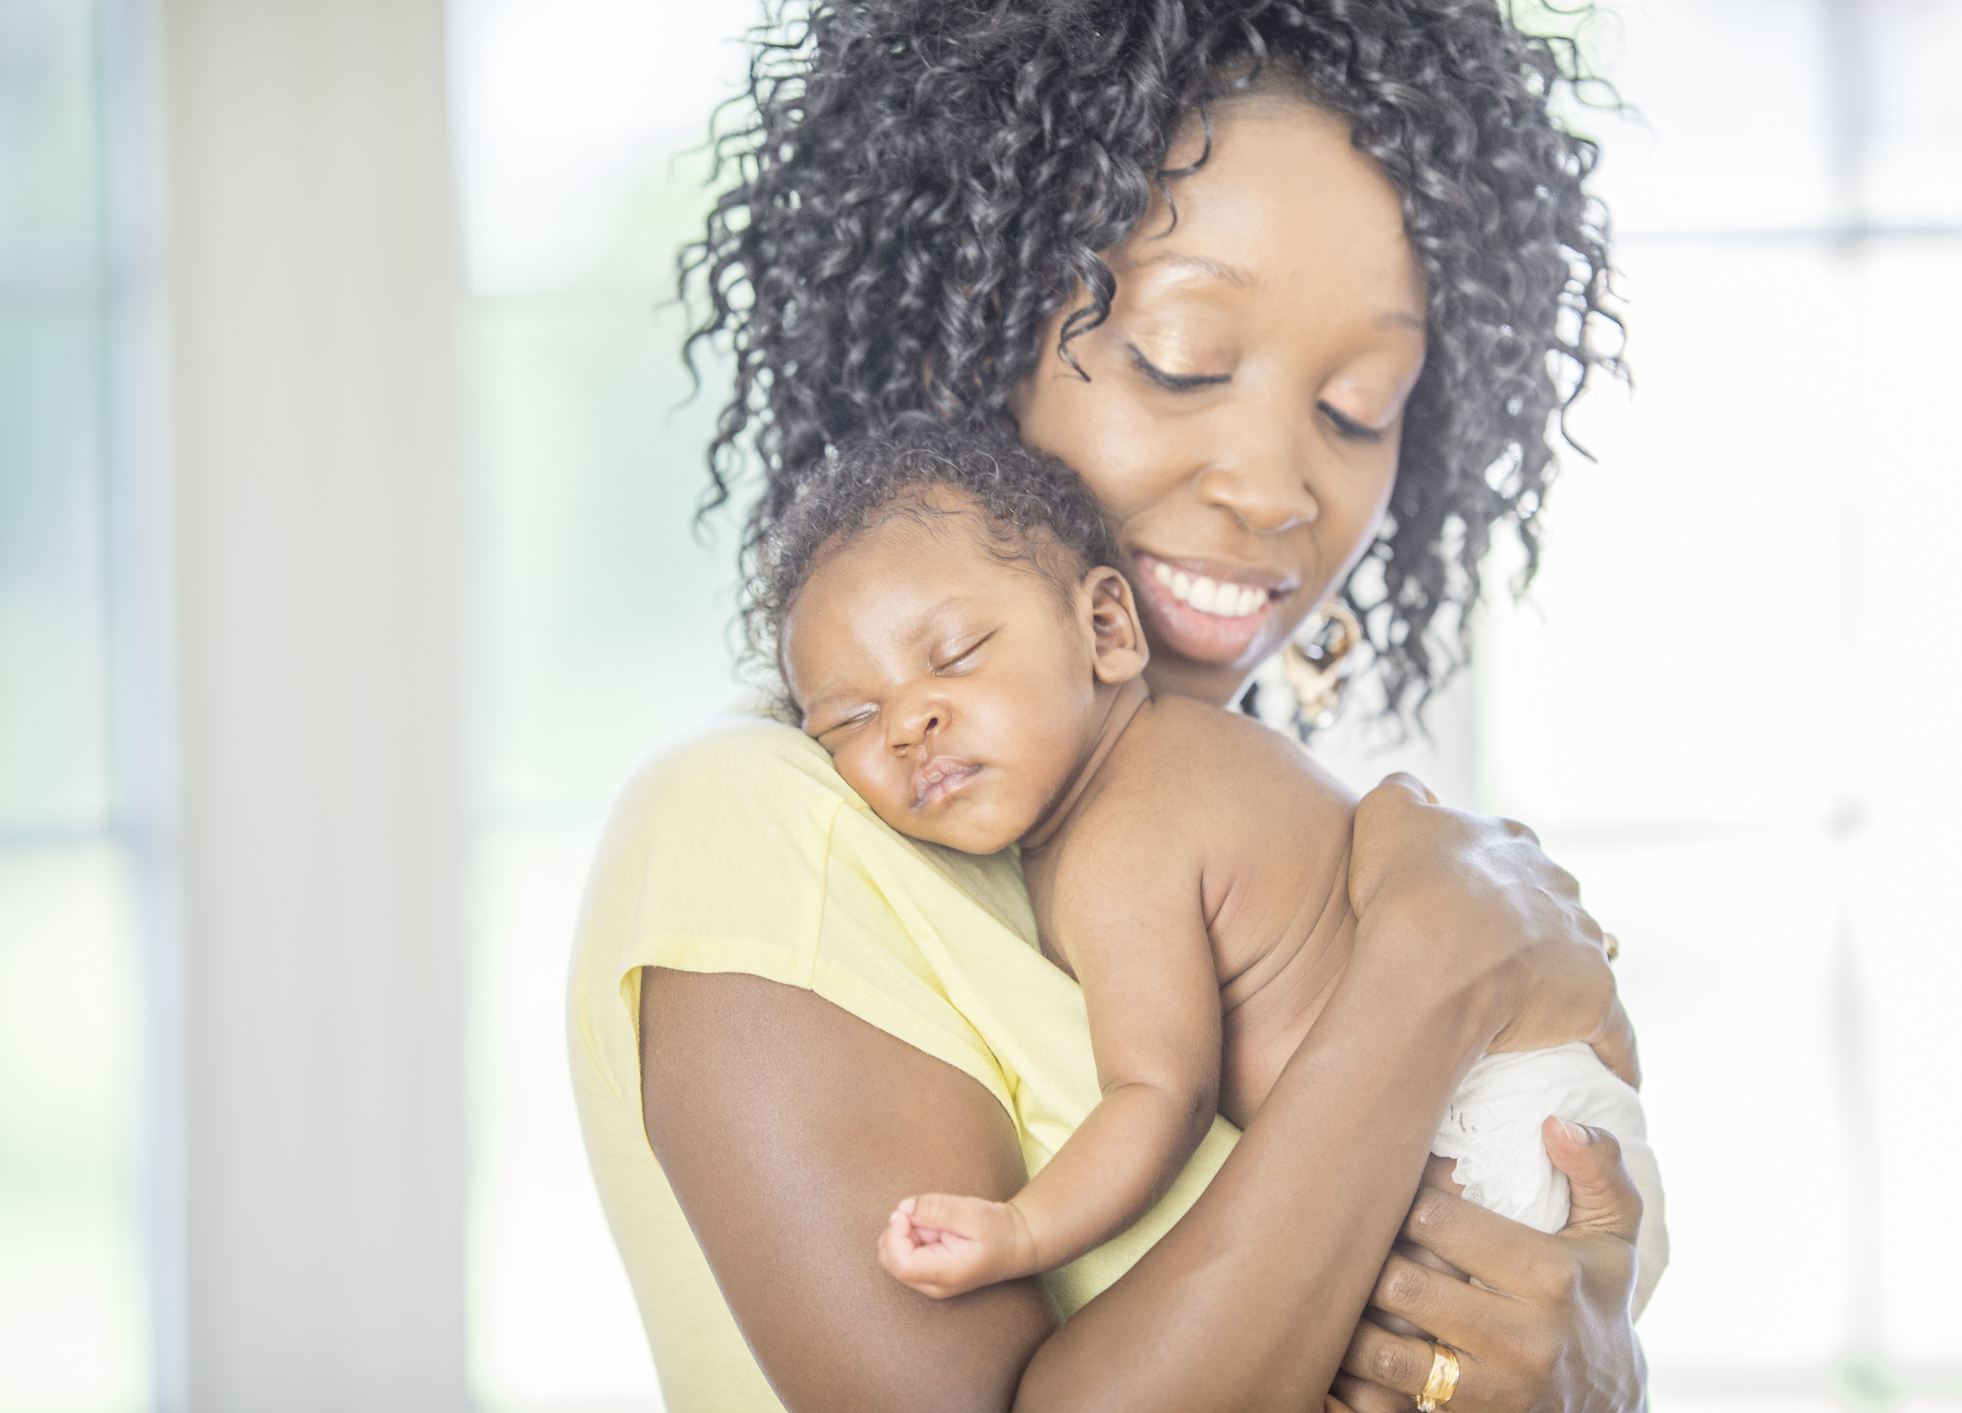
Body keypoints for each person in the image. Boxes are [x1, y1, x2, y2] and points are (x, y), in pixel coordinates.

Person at [569, 2, 1648, 1409]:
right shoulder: (762, 824)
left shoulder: (1263, 843)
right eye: (1179, 361)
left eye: (1357, 405)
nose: (1273, 486)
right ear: (960, 338)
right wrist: (1427, 973)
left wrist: (1585, 1372)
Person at [758, 428, 1667, 1311]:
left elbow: (1162, 1092)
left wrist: (1021, 1230)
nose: (906, 724)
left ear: (1105, 627)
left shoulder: (1121, 835)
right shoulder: (1187, 755)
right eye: (847, 720)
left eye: (954, 657)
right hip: (1548, 1121)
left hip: (1496, 1144)